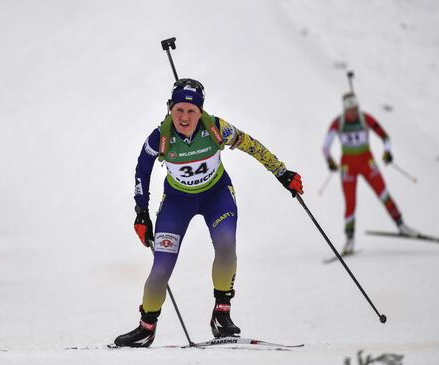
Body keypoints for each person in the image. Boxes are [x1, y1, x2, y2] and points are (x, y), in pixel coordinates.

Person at [114, 78, 303, 347]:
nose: (184, 117)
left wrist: (282, 172)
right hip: (177, 203)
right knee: (161, 267)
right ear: (170, 109)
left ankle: (221, 314)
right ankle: (146, 328)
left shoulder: (216, 129)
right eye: (179, 110)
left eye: (192, 111)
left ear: (201, 112)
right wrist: (141, 213)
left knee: (226, 245)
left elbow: (252, 146)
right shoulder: (159, 137)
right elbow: (141, 171)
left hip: (217, 196)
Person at [322, 92, 417, 255]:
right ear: (345, 110)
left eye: (355, 107)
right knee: (350, 202)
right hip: (348, 166)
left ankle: (401, 224)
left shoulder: (366, 119)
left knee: (383, 193)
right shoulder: (338, 123)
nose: (353, 111)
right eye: (349, 109)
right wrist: (330, 161)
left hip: (367, 162)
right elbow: (325, 147)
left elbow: (385, 137)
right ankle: (349, 239)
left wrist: (387, 152)